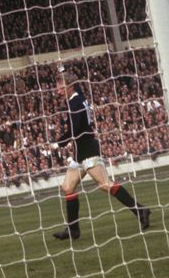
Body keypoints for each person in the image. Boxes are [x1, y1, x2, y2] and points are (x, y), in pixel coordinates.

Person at [51, 67, 150, 240]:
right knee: (67, 187)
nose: (57, 90)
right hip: (79, 153)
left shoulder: (74, 103)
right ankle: (73, 230)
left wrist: (59, 142)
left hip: (87, 150)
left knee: (105, 185)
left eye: (60, 86)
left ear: (69, 86)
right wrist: (63, 70)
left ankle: (140, 210)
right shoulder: (77, 98)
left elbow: (75, 129)